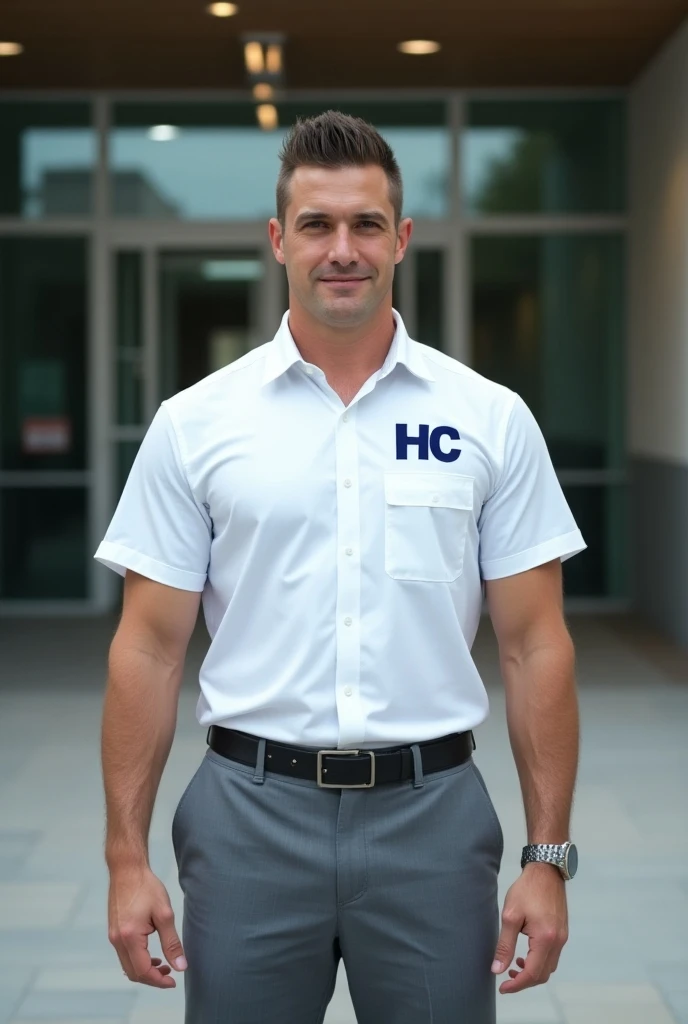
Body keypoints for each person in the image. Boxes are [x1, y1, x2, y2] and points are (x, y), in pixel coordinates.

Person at [96, 109, 585, 1024]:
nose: (342, 249)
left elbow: (535, 648)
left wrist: (546, 858)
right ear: (280, 240)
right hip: (247, 819)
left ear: (401, 238)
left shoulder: (488, 418)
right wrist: (127, 859)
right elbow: (148, 652)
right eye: (317, 225)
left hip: (434, 822)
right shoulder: (197, 423)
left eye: (366, 224)